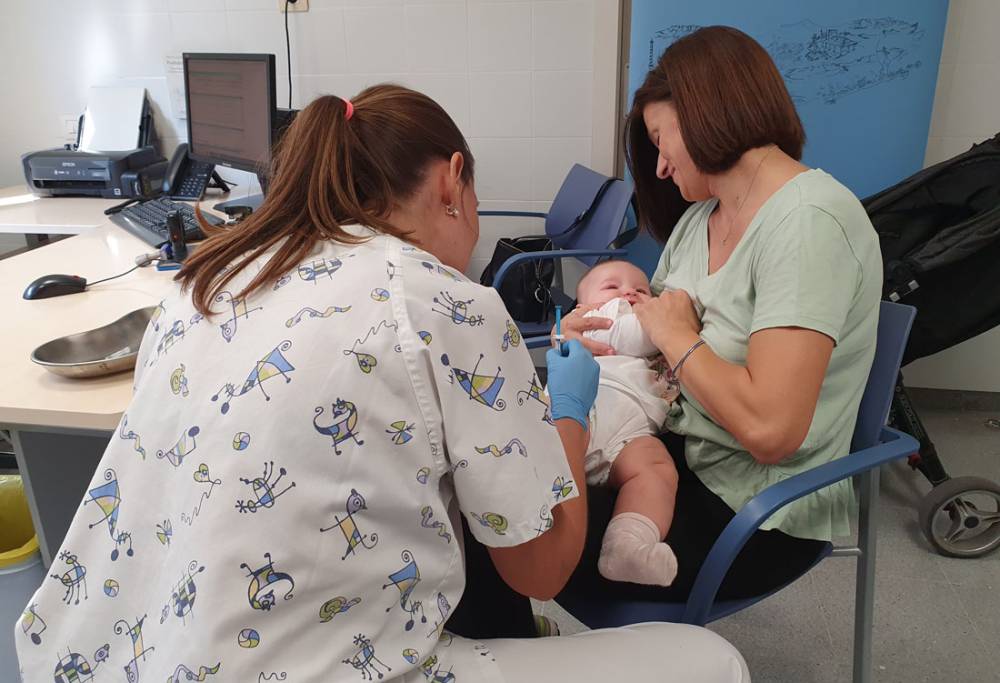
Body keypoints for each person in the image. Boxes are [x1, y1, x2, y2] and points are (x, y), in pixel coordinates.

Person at [15, 85, 749, 682]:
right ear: (452, 181)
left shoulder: (205, 279)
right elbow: (542, 566)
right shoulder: (447, 302)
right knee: (714, 661)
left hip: (113, 654)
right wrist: (571, 410)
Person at [555, 24, 883, 605]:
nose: (658, 167)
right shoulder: (701, 217)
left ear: (708, 112)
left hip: (752, 507)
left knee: (507, 537)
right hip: (676, 451)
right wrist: (587, 331)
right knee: (492, 496)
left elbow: (769, 431)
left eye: (661, 140)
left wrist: (678, 336)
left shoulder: (808, 223)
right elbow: (649, 334)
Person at [569, 259, 680, 587]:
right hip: (584, 407)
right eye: (611, 286)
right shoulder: (598, 319)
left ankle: (627, 546)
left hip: (631, 437)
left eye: (641, 289)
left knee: (656, 467)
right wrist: (675, 315)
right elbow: (632, 336)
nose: (628, 291)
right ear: (582, 305)